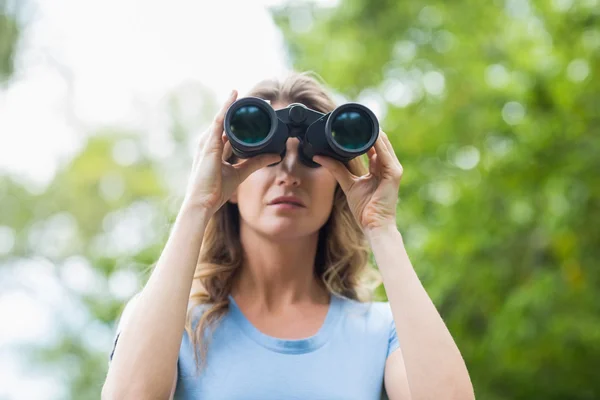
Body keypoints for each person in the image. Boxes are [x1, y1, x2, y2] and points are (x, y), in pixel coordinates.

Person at [101, 72, 475, 400]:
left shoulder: (383, 330)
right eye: (269, 156)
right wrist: (199, 204)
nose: (289, 174)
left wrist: (382, 227)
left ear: (339, 183)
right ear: (231, 180)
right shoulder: (173, 322)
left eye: (313, 158)